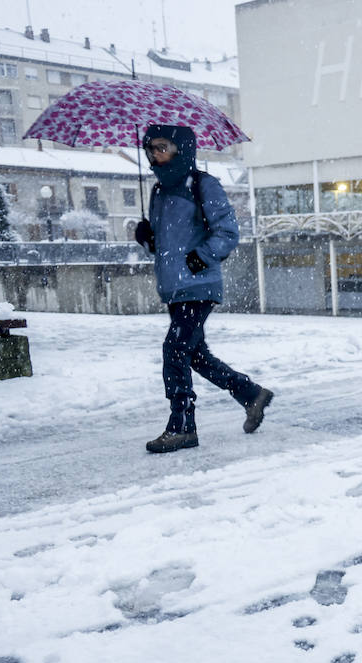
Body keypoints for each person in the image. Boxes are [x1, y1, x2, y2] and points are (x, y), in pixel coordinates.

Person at [134, 124, 273, 454]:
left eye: (162, 146)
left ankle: (182, 426)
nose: (155, 153)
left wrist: (200, 259)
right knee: (195, 355)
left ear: (181, 148)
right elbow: (165, 245)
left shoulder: (202, 184)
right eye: (151, 148)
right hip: (173, 286)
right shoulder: (158, 191)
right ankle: (250, 394)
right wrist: (147, 238)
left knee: (175, 349)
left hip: (199, 284)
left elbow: (227, 232)